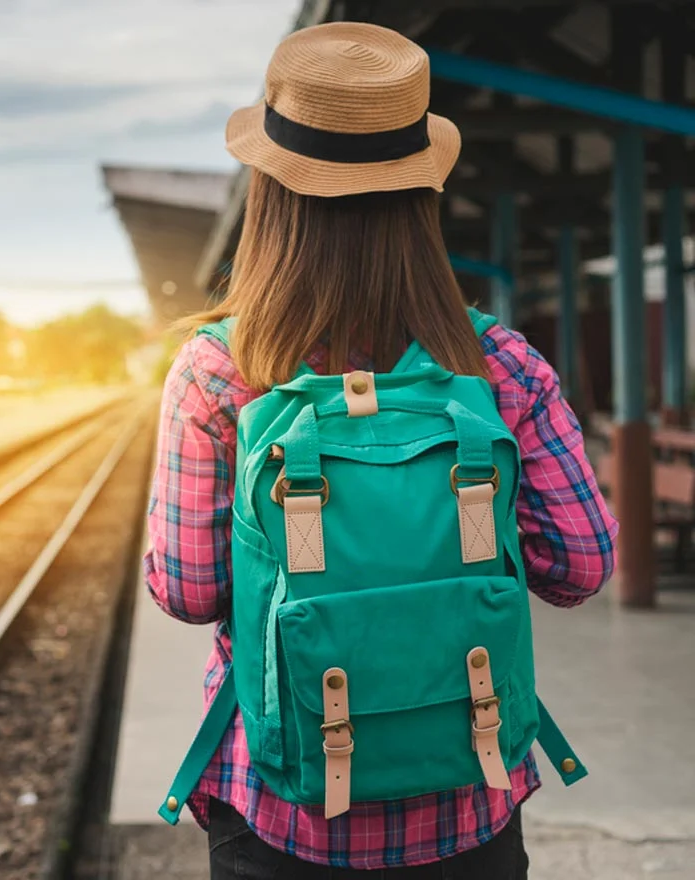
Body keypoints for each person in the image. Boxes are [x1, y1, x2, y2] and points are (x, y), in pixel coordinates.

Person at [144, 23, 618, 880]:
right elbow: (580, 565)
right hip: (467, 805)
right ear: (421, 192)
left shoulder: (219, 371)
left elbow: (188, 590)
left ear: (274, 193)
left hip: (282, 813)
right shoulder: (498, 365)